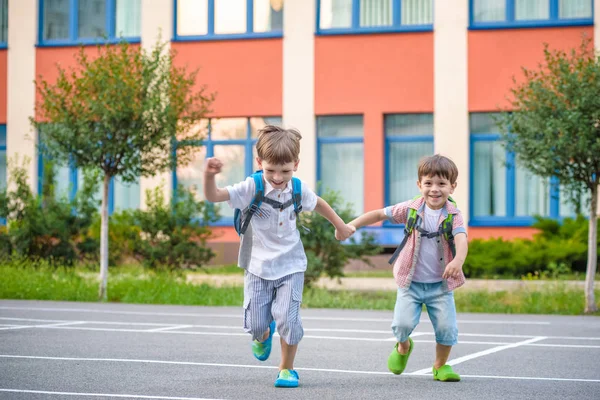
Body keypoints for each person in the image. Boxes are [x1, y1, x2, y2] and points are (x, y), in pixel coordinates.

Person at [203, 125, 355, 388]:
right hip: (257, 265)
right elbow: (213, 195)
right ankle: (262, 334)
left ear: (295, 164)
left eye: (285, 171)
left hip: (291, 264)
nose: (277, 177)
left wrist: (339, 225)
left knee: (289, 318)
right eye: (270, 169)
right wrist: (209, 175)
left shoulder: (297, 188)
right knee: (256, 323)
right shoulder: (251, 187)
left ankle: (287, 368)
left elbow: (318, 203)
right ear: (260, 162)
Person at [347, 154, 468, 382]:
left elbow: (461, 239)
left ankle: (440, 366)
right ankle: (403, 347)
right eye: (428, 183)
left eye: (442, 184)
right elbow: (379, 214)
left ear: (452, 187)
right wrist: (352, 225)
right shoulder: (411, 209)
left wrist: (458, 261)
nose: (434, 189)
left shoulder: (454, 215)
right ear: (419, 185)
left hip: (440, 286)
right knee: (401, 325)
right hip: (410, 282)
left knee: (446, 328)